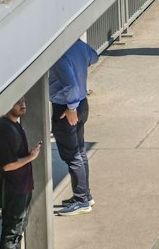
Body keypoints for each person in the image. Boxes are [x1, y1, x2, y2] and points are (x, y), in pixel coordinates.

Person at [47, 36, 97, 215]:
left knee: (72, 154)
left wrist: (71, 108)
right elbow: (94, 57)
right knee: (80, 150)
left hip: (67, 107)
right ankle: (85, 194)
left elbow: (71, 86)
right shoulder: (78, 45)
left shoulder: (59, 56)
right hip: (82, 104)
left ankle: (81, 200)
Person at [0, 98, 40, 248]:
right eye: (17, 102)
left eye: (24, 101)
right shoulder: (3, 129)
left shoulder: (14, 125)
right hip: (14, 190)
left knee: (18, 231)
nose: (23, 104)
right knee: (11, 234)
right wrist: (31, 157)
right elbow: (8, 165)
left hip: (22, 187)